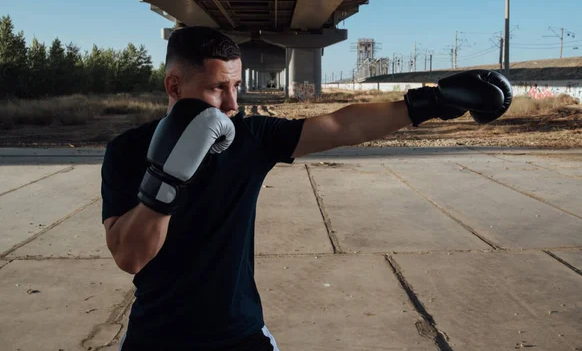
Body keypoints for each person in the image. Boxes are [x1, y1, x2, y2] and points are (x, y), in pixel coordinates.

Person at [101, 26, 512, 351]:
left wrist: (430, 102)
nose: (232, 103)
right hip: (155, 336)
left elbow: (340, 125)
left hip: (239, 333)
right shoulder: (127, 150)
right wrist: (166, 180)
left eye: (236, 85)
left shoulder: (248, 136)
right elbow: (129, 257)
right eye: (217, 88)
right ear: (174, 87)